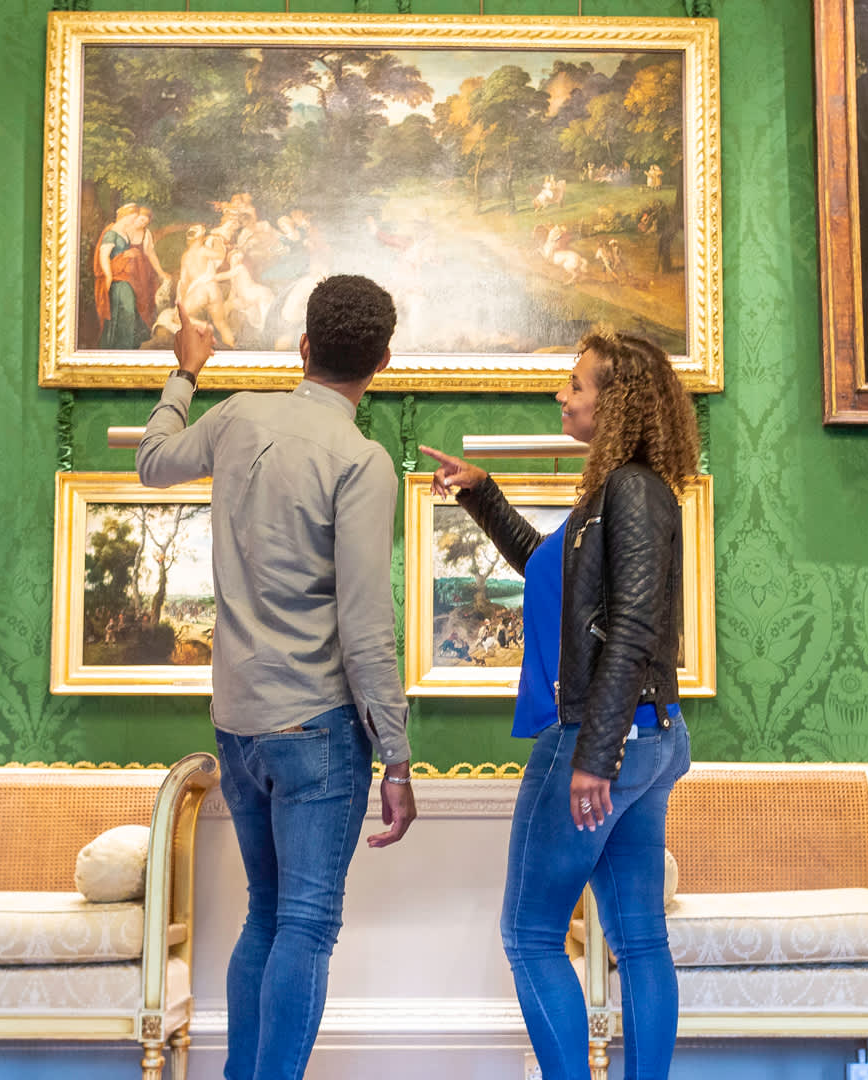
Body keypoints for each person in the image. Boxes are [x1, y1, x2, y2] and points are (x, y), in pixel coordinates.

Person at [137, 275, 416, 1080]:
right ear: (382, 362)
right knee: (305, 922)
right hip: (318, 729)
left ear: (303, 345)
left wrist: (186, 371)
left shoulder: (238, 414)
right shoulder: (361, 461)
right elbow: (366, 629)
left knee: (267, 915)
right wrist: (396, 756)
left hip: (238, 722)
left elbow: (154, 460)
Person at [421, 329, 698, 1080]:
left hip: (601, 737)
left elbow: (636, 627)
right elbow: (551, 574)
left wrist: (594, 752)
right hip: (644, 735)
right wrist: (481, 494)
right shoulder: (614, 496)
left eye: (576, 384)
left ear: (616, 401)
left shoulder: (632, 491)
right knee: (639, 937)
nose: (561, 395)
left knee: (530, 934)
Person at [94, 203, 169, 349]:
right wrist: (110, 274)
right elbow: (105, 255)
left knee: (136, 308)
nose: (141, 223)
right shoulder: (116, 231)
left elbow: (150, 254)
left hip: (137, 275)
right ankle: (121, 345)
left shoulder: (133, 232)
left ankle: (130, 344)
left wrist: (160, 272)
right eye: (138, 219)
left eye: (145, 221)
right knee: (124, 309)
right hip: (121, 277)